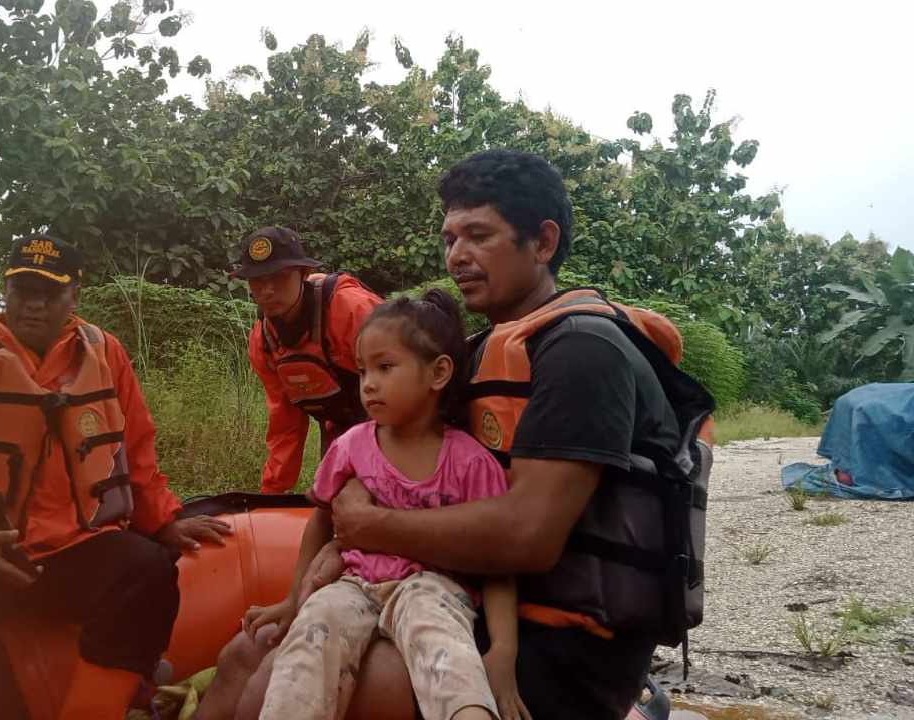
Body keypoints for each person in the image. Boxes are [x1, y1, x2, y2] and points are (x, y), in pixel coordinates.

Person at [201, 149, 713, 720]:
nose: (457, 256)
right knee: (246, 653)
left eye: (478, 235)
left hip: (558, 647)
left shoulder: (584, 353)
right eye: (449, 239)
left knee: (275, 680)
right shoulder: (479, 352)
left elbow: (527, 536)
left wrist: (370, 525)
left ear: (542, 243)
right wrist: (330, 557)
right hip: (452, 598)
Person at [0, 234, 232, 720]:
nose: (32, 305)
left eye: (48, 293)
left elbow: (135, 452)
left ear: (74, 296)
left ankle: (96, 708)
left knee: (149, 569)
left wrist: (164, 520)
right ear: (6, 290)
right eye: (22, 290)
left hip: (75, 550)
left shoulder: (105, 353)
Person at [243, 289, 529, 720]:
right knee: (312, 633)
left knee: (443, 645)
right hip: (354, 584)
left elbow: (497, 560)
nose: (369, 384)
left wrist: (504, 651)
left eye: (385, 367)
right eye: (362, 372)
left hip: (432, 585)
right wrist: (291, 600)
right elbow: (322, 519)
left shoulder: (470, 461)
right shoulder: (351, 447)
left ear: (438, 374)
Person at [235, 226, 383, 494]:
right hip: (338, 426)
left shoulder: (351, 309)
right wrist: (272, 493)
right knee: (333, 497)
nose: (266, 290)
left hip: (393, 421)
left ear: (303, 274)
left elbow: (405, 384)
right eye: (256, 281)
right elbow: (285, 422)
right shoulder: (263, 341)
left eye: (278, 278)